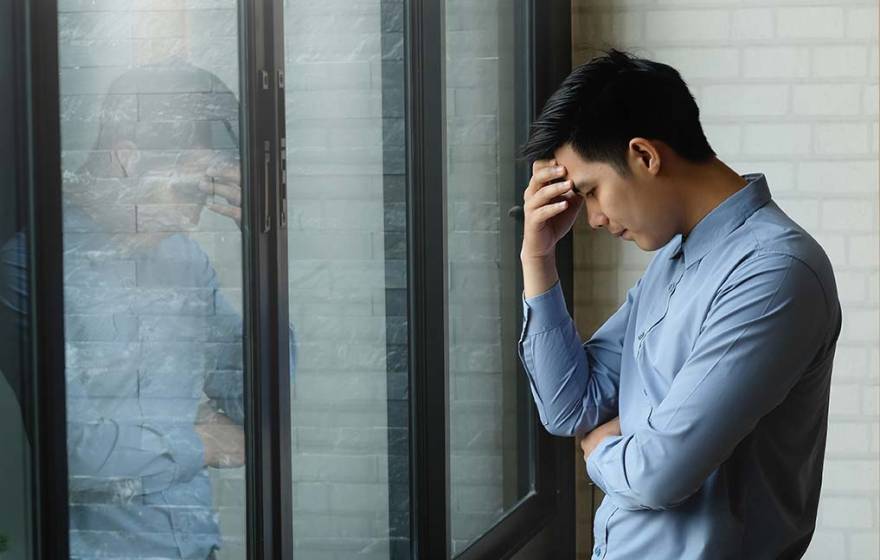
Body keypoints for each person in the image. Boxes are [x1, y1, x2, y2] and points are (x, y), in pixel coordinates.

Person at [516, 49, 842, 559]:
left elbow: (658, 474)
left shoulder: (774, 273)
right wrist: (538, 258)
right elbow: (570, 406)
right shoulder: (674, 261)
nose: (593, 218)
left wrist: (600, 450)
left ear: (645, 156)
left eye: (592, 191)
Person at [0, 63, 295, 559]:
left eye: (208, 192)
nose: (192, 218)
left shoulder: (185, 260)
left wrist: (264, 260)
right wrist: (202, 441)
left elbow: (258, 407)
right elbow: (79, 455)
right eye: (188, 190)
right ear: (125, 159)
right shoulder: (30, 270)